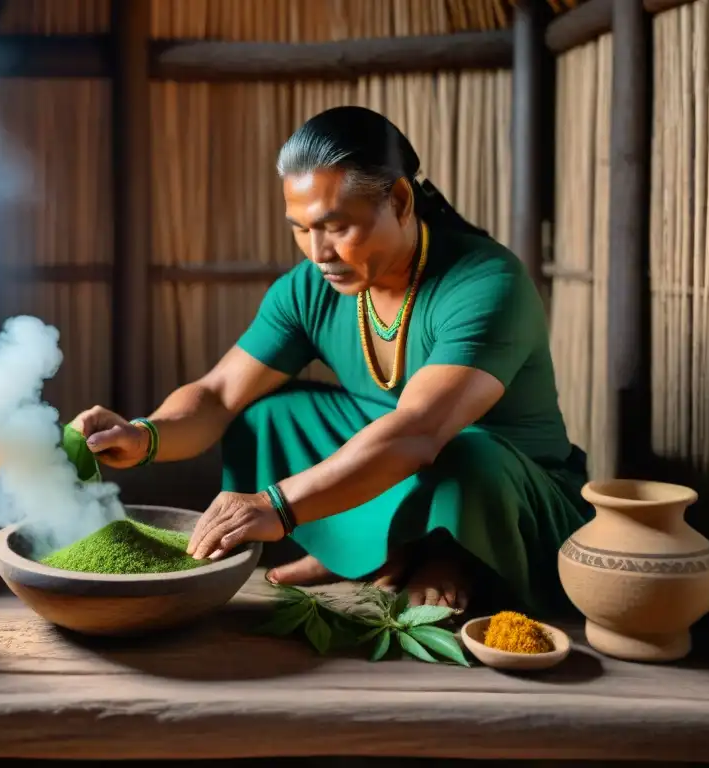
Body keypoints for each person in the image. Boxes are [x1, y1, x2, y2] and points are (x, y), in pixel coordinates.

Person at [72, 105, 591, 614]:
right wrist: (145, 435)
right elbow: (218, 394)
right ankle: (374, 552)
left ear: (401, 200)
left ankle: (450, 554)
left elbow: (417, 432)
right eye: (300, 228)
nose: (317, 251)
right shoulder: (309, 288)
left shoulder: (485, 284)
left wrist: (275, 505)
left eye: (336, 226)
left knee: (464, 453)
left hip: (511, 490)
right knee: (268, 415)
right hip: (403, 449)